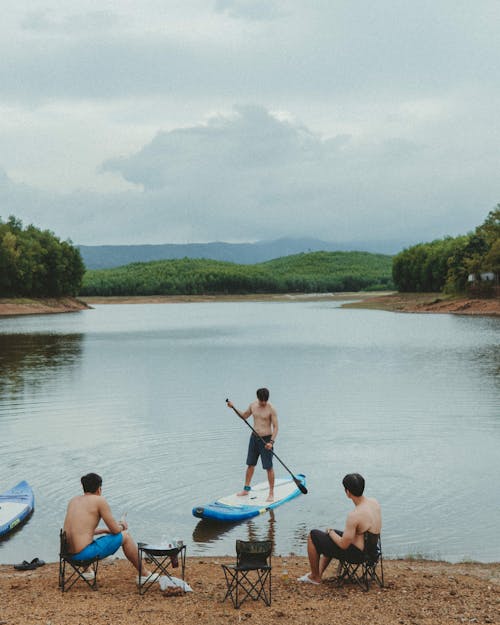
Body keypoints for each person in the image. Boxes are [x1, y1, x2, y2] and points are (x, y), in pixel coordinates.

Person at [63, 472, 157, 585]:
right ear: (99, 489)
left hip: (68, 554)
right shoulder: (99, 501)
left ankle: (87, 571)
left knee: (85, 540)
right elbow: (116, 531)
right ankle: (144, 574)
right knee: (125, 536)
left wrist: (104, 530)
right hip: (83, 555)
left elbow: (81, 531)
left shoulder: (73, 501)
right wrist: (122, 525)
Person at [297, 473, 382, 585]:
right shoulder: (374, 502)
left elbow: (343, 545)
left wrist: (331, 532)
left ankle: (314, 577)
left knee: (313, 535)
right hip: (373, 551)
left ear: (347, 492)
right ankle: (318, 573)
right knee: (331, 536)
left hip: (357, 555)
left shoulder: (354, 515)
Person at [227, 388, 278, 502]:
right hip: (254, 439)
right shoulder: (253, 405)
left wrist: (271, 442)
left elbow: (276, 427)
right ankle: (246, 489)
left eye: (265, 400)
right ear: (258, 398)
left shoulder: (271, 409)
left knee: (268, 467)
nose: (264, 402)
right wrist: (233, 408)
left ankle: (271, 493)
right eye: (262, 400)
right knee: (250, 465)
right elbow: (244, 416)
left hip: (266, 440)